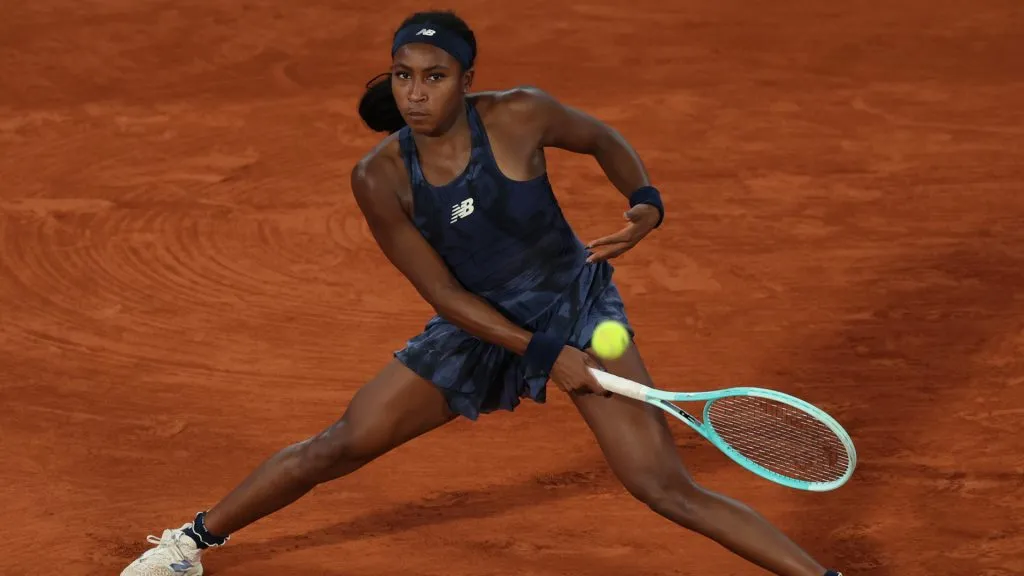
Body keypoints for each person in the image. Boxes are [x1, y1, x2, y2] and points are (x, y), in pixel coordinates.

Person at [120, 10, 843, 576]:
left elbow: (602, 140)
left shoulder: (522, 114)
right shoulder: (381, 177)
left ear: (468, 77)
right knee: (340, 444)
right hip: (477, 325)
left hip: (578, 309)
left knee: (663, 488)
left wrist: (645, 202)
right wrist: (541, 353)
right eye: (403, 76)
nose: (415, 94)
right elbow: (441, 294)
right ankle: (190, 541)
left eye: (433, 76)